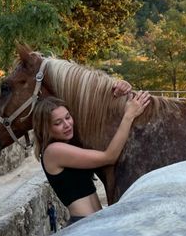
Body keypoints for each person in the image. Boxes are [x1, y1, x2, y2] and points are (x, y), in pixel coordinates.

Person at [33, 85, 150, 225]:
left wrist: (116, 93)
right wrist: (129, 116)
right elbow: (109, 157)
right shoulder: (54, 151)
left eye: (68, 117)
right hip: (83, 223)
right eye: (58, 123)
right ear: (46, 129)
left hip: (94, 221)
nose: (67, 124)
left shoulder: (68, 145)